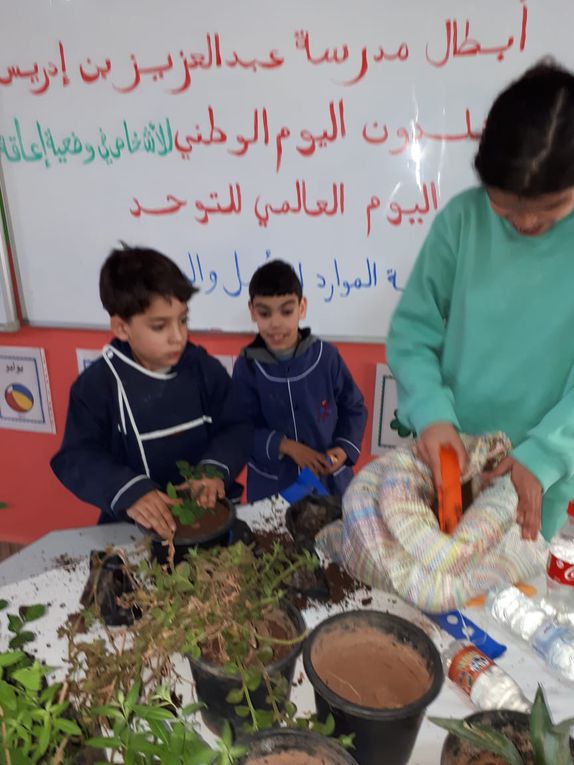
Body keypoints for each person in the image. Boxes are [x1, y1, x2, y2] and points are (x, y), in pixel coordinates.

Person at [386, 61, 574, 542]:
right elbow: (413, 333)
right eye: (506, 207)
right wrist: (431, 412)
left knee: (512, 605)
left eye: (550, 209)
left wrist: (544, 456)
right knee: (439, 582)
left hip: (538, 475)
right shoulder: (462, 221)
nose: (526, 224)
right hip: (451, 459)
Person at [51, 246, 252, 537]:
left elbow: (237, 427)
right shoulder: (98, 386)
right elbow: (78, 457)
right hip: (134, 529)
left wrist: (213, 469)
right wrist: (131, 492)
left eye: (183, 320)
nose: (178, 336)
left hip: (210, 518)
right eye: (160, 326)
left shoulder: (203, 369)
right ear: (122, 327)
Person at [232, 259, 367, 502]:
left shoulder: (326, 357)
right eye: (264, 313)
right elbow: (240, 430)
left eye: (286, 311)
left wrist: (343, 450)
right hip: (272, 488)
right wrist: (288, 447)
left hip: (329, 483)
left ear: (301, 308)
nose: (275, 323)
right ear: (252, 311)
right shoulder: (248, 366)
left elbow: (354, 408)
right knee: (274, 539)